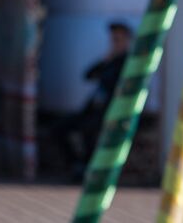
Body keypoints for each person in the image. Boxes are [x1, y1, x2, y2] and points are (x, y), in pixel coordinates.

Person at [52, 20, 131, 175]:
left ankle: (87, 169)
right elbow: (88, 75)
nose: (114, 43)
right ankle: (75, 165)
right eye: (112, 39)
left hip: (109, 113)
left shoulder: (128, 63)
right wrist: (106, 59)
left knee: (90, 131)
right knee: (59, 128)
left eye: (118, 39)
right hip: (92, 110)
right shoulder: (110, 61)